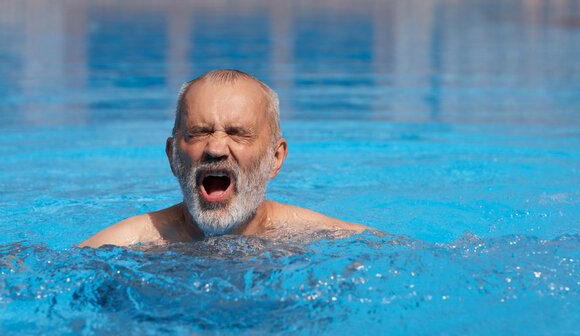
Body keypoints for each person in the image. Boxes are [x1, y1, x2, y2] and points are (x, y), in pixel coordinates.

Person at [79, 69, 368, 248]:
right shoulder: (120, 246)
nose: (215, 148)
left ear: (275, 158)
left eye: (238, 133)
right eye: (199, 132)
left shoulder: (335, 241)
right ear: (172, 156)